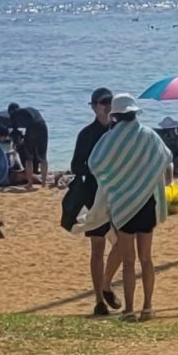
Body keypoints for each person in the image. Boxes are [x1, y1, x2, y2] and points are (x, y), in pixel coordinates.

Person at [81, 94, 173, 322]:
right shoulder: (149, 135)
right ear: (134, 112)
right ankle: (148, 307)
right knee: (146, 259)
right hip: (147, 204)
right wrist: (151, 179)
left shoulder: (111, 139)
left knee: (129, 261)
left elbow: (95, 164)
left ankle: (130, 309)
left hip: (123, 205)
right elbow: (166, 159)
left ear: (115, 115)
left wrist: (116, 180)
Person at [70, 87, 123, 317]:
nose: (107, 106)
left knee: (123, 244)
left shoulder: (120, 131)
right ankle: (99, 300)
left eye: (110, 102)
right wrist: (96, 170)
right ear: (93, 106)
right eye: (103, 102)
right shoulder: (86, 134)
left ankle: (106, 284)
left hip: (118, 196)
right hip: (93, 197)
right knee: (97, 248)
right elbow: (75, 166)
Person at [8, 103, 49, 188]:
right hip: (43, 126)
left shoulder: (14, 114)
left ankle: (30, 183)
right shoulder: (30, 109)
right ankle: (44, 182)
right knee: (43, 157)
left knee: (29, 157)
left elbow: (15, 131)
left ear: (11, 111)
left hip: (32, 127)